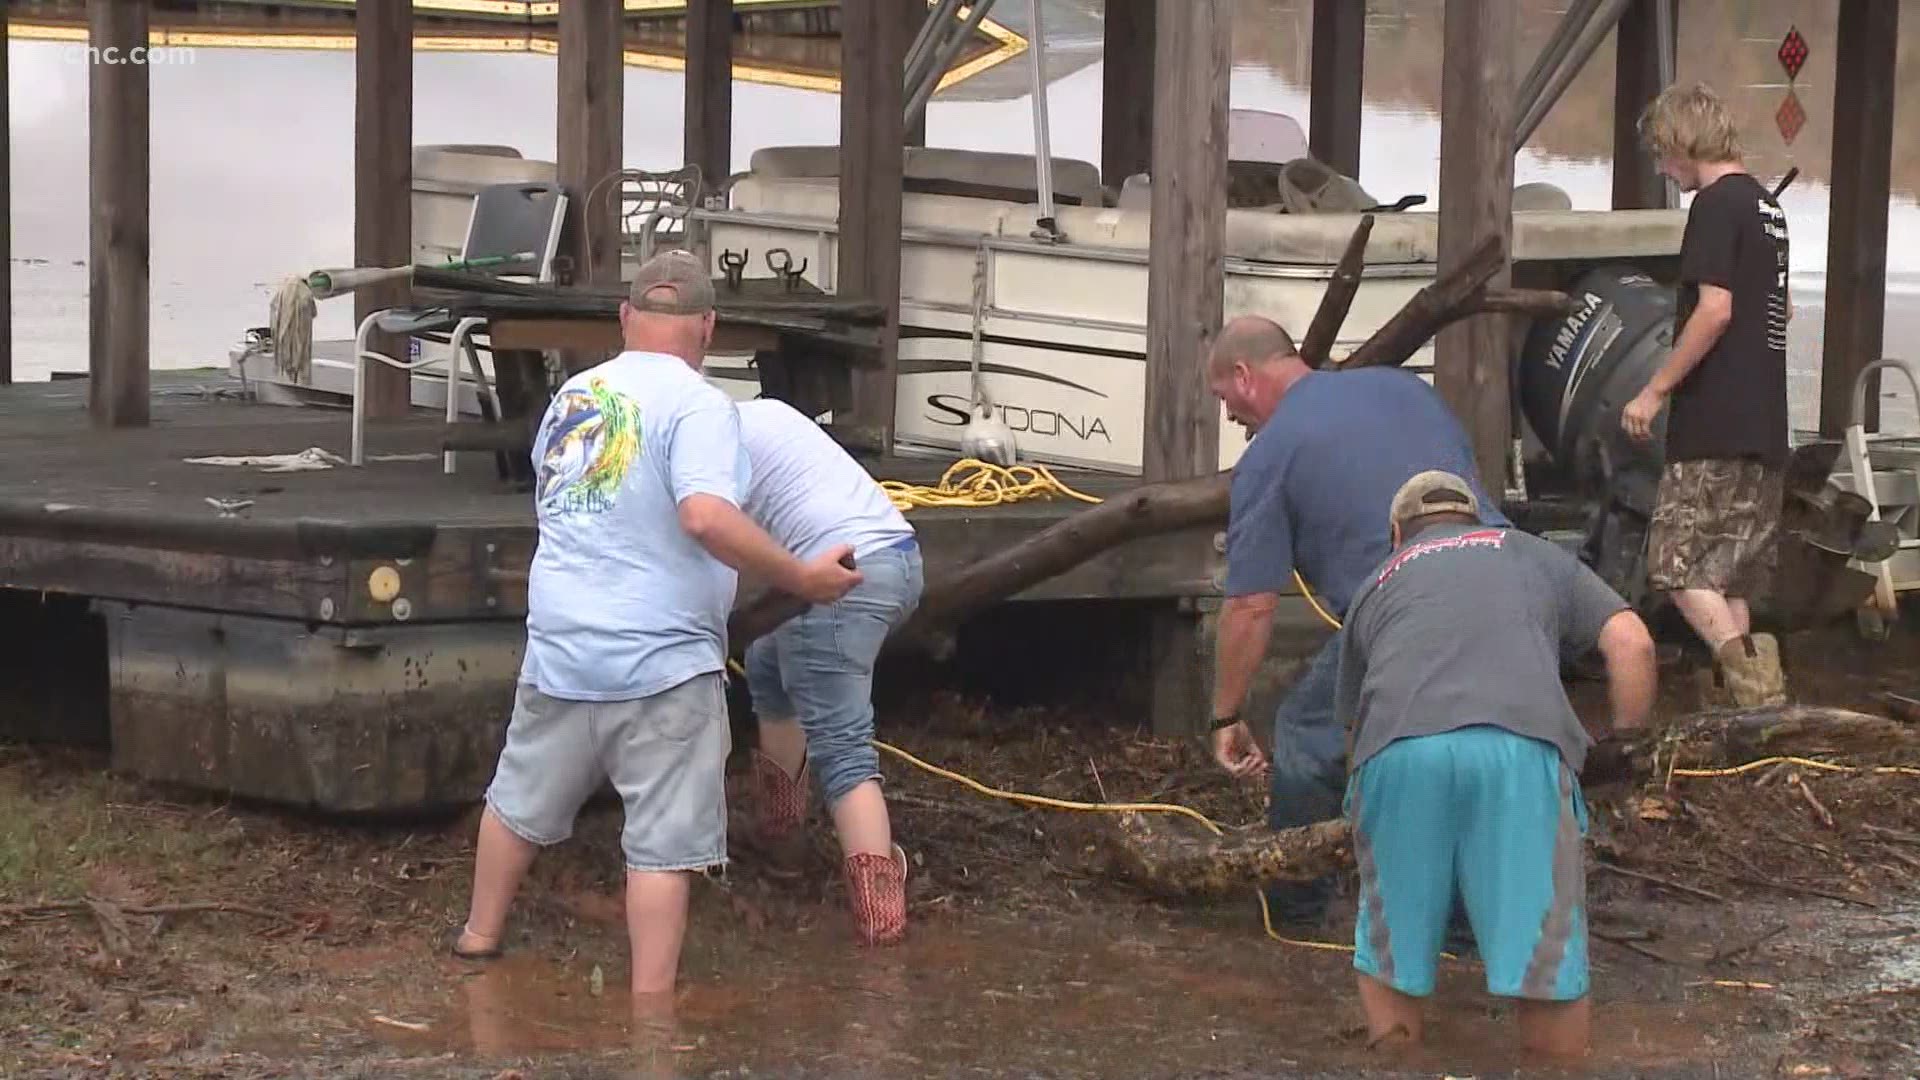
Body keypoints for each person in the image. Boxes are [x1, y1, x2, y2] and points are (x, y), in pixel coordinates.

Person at [452, 250, 862, 1002]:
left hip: (563, 647)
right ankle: (650, 1008)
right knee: (661, 846)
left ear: (625, 318)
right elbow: (704, 515)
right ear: (708, 327)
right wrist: (802, 577)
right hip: (662, 661)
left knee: (517, 800)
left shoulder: (573, 396)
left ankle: (479, 937)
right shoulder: (700, 405)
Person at [1333, 471, 1656, 1058]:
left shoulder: (1375, 584)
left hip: (1399, 752)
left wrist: (1365, 816)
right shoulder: (1531, 552)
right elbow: (1633, 643)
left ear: (1396, 533)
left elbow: (1354, 732)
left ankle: (1397, 1059)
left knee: (1392, 950)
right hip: (1522, 747)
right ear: (1476, 519)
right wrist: (1623, 751)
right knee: (1545, 964)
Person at [1203, 314, 1508, 928]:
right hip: (1509, 582)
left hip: (1409, 609)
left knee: (1307, 738)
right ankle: (1469, 923)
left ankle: (1295, 912)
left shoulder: (1271, 456)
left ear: (1244, 376)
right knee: (1463, 749)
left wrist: (1226, 713)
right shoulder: (1403, 388)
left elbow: (1251, 607)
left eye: (1224, 401)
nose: (1230, 419)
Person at [1621, 81, 1791, 708]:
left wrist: (1654, 390)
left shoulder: (1716, 205)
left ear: (1684, 141)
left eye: (1664, 152)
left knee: (1673, 564)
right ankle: (1744, 718)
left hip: (1715, 420)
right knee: (1730, 572)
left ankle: (1759, 693)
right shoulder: (1768, 208)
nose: (1664, 167)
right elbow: (1783, 308)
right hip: (1767, 420)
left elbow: (1715, 310)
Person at [734, 397, 926, 946]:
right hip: (898, 556)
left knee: (842, 746)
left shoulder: (704, 444)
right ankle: (783, 845)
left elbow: (714, 539)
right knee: (768, 664)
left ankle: (880, 919)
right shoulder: (764, 413)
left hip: (840, 576)